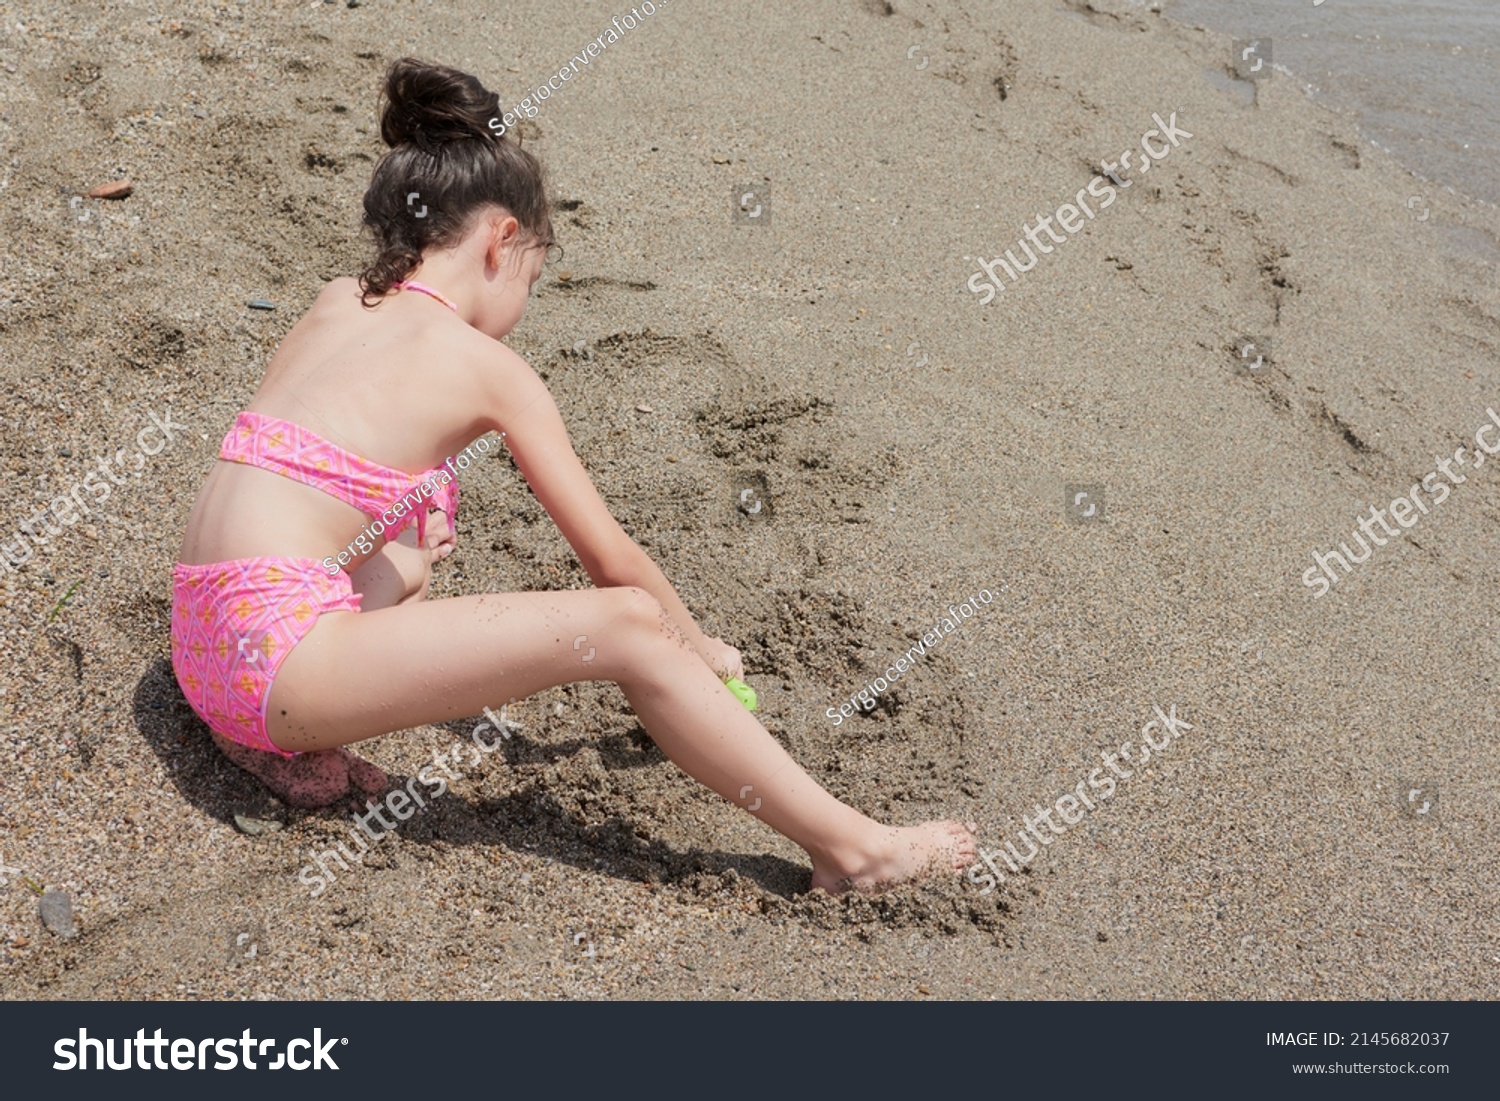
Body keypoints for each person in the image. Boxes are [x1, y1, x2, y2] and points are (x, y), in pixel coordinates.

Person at [170, 57, 975, 894]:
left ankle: (281, 743)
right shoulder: (486, 367)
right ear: (501, 241)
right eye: (535, 278)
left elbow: (298, 472)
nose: (524, 302)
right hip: (274, 663)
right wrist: (699, 651)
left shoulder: (338, 301)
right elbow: (611, 562)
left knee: (412, 546)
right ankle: (854, 851)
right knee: (627, 624)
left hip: (202, 637)